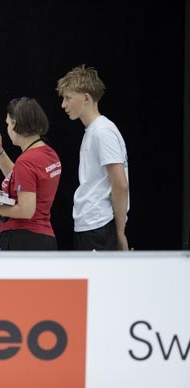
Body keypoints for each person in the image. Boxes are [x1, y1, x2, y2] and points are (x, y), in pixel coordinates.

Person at [56, 65, 130, 251]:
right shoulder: (93, 131)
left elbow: (120, 184)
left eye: (68, 98)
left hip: (99, 224)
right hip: (91, 223)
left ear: (86, 98)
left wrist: (120, 232)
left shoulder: (102, 131)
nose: (63, 105)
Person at [0, 97, 61, 250]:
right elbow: (21, 178)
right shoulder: (49, 154)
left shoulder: (26, 161)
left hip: (23, 240)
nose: (7, 129)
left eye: (8, 124)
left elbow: (26, 210)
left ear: (15, 124)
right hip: (43, 238)